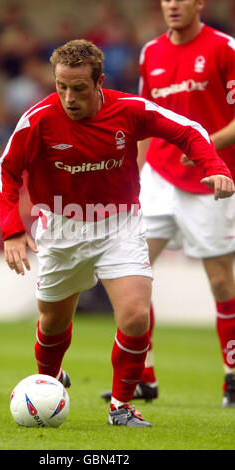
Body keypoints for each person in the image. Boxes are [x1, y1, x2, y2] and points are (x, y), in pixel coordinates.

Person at [0, 39, 234, 427]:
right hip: (61, 227)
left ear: (100, 82)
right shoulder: (38, 119)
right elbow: (6, 170)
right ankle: (50, 379)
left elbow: (187, 130)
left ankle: (121, 406)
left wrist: (214, 164)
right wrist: (11, 231)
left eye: (79, 88)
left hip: (118, 224)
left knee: (136, 316)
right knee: (53, 323)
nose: (69, 98)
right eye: (61, 87)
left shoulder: (129, 110)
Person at [102, 0, 235, 408]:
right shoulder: (150, 53)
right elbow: (143, 118)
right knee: (130, 272)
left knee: (221, 282)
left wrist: (201, 145)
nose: (173, 5)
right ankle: (143, 376)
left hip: (209, 179)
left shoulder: (224, 48)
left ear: (200, 4)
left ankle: (233, 376)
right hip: (158, 176)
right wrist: (132, 174)